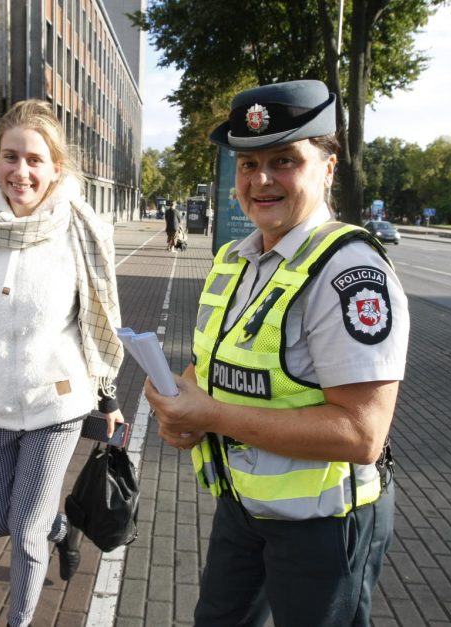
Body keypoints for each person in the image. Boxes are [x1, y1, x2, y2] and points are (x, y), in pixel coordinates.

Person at [144, 80, 410, 627]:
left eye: (284, 160)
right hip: (243, 506)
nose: (260, 180)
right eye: (248, 163)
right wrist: (180, 410)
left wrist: (211, 415)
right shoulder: (237, 259)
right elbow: (213, 366)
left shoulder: (349, 273)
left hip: (325, 525)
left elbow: (362, 435)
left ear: (327, 168)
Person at [0, 99, 125, 627]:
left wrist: (107, 395)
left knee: (24, 531)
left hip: (57, 405)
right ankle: (60, 528)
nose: (21, 171)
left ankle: (21, 613)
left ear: (55, 167)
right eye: (9, 156)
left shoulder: (79, 231)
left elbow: (99, 319)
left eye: (35, 159)